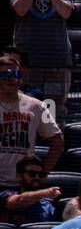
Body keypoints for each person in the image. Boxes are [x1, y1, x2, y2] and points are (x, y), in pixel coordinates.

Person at [0, 46, 60, 189]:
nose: (11, 79)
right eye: (5, 75)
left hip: (23, 185)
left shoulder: (38, 106)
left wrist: (41, 173)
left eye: (15, 74)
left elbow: (57, 141)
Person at [0, 152, 57, 223]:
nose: (37, 177)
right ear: (19, 176)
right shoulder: (4, 195)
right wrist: (45, 193)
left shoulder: (48, 206)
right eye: (32, 174)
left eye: (41, 174)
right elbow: (19, 200)